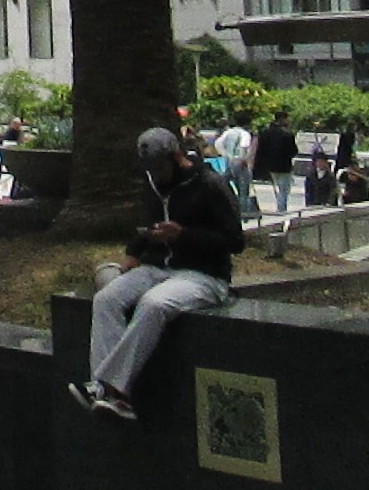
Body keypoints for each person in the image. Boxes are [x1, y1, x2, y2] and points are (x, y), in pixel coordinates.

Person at [68, 127, 244, 422]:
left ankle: (114, 389)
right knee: (108, 298)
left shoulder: (210, 185)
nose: (155, 175)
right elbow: (148, 224)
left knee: (154, 304)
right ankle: (103, 391)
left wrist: (183, 235)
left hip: (204, 276)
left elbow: (234, 241)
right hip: (158, 267)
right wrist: (134, 252)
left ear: (176, 157)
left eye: (159, 168)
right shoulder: (151, 185)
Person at [253, 113, 300, 214]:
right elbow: (293, 151)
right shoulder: (287, 134)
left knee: (277, 187)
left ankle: (280, 206)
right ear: (283, 119)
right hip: (284, 165)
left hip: (270, 165)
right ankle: (281, 209)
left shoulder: (265, 132)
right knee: (284, 189)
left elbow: (260, 150)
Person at [213, 115, 254, 213]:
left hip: (229, 162)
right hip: (240, 163)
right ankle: (243, 212)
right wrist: (243, 158)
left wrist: (225, 154)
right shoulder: (245, 134)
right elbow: (243, 147)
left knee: (225, 184)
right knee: (243, 191)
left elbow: (218, 144)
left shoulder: (228, 132)